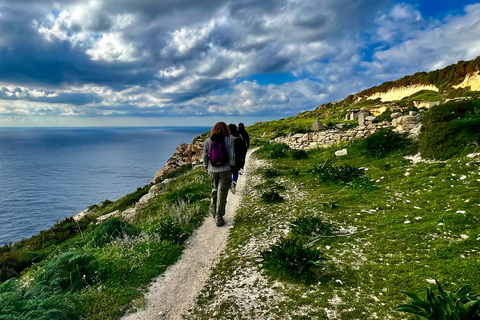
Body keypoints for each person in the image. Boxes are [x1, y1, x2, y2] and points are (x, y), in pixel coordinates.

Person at [203, 122, 235, 227]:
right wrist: (232, 166)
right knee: (222, 193)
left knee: (215, 189)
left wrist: (207, 167)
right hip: (225, 170)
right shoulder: (229, 140)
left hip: (212, 170)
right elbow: (231, 155)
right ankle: (219, 217)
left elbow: (205, 157)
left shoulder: (208, 141)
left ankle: (213, 208)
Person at [228, 123, 247, 194]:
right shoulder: (239, 137)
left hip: (229, 158)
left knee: (229, 172)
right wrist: (243, 158)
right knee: (235, 172)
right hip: (238, 158)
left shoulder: (227, 138)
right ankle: (234, 183)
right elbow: (243, 148)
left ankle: (229, 184)